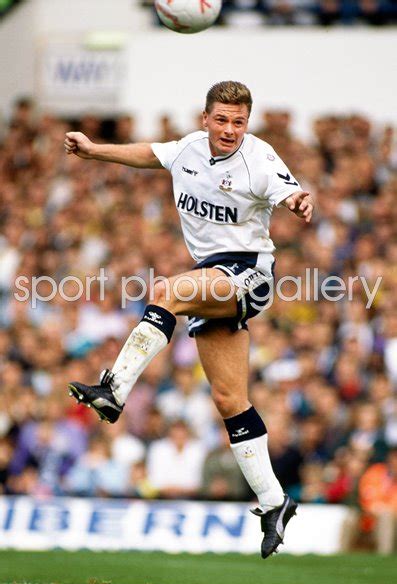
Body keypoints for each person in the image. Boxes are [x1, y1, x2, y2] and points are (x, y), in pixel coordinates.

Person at [64, 81, 313, 558]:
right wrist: (95, 152)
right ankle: (275, 502)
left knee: (165, 292)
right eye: (222, 119)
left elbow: (290, 191)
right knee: (228, 399)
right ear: (205, 118)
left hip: (249, 271)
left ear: (248, 123)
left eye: (239, 121)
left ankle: (113, 390)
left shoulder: (259, 157)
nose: (230, 129)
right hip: (211, 277)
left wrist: (300, 201)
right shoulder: (187, 149)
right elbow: (148, 154)